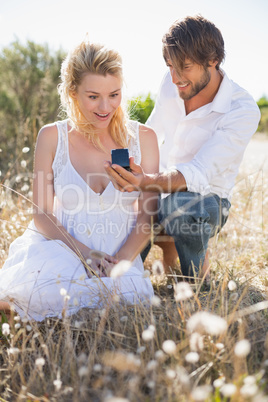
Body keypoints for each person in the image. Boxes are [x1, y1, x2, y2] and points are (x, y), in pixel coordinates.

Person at [0, 41, 159, 321]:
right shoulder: (52, 137)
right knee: (44, 292)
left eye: (114, 94)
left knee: (130, 296)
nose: (105, 106)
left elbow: (147, 213)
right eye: (93, 96)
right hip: (63, 248)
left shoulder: (144, 139)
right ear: (73, 93)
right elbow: (42, 214)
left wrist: (121, 261)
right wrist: (85, 254)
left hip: (118, 255)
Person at [105, 15, 261, 281]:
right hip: (158, 187)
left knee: (181, 207)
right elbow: (151, 133)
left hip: (206, 200)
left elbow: (198, 173)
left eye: (185, 67)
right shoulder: (172, 81)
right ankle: (139, 269)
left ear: (213, 60)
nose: (175, 78)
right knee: (121, 267)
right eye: (170, 66)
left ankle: (196, 280)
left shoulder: (242, 109)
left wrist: (146, 182)